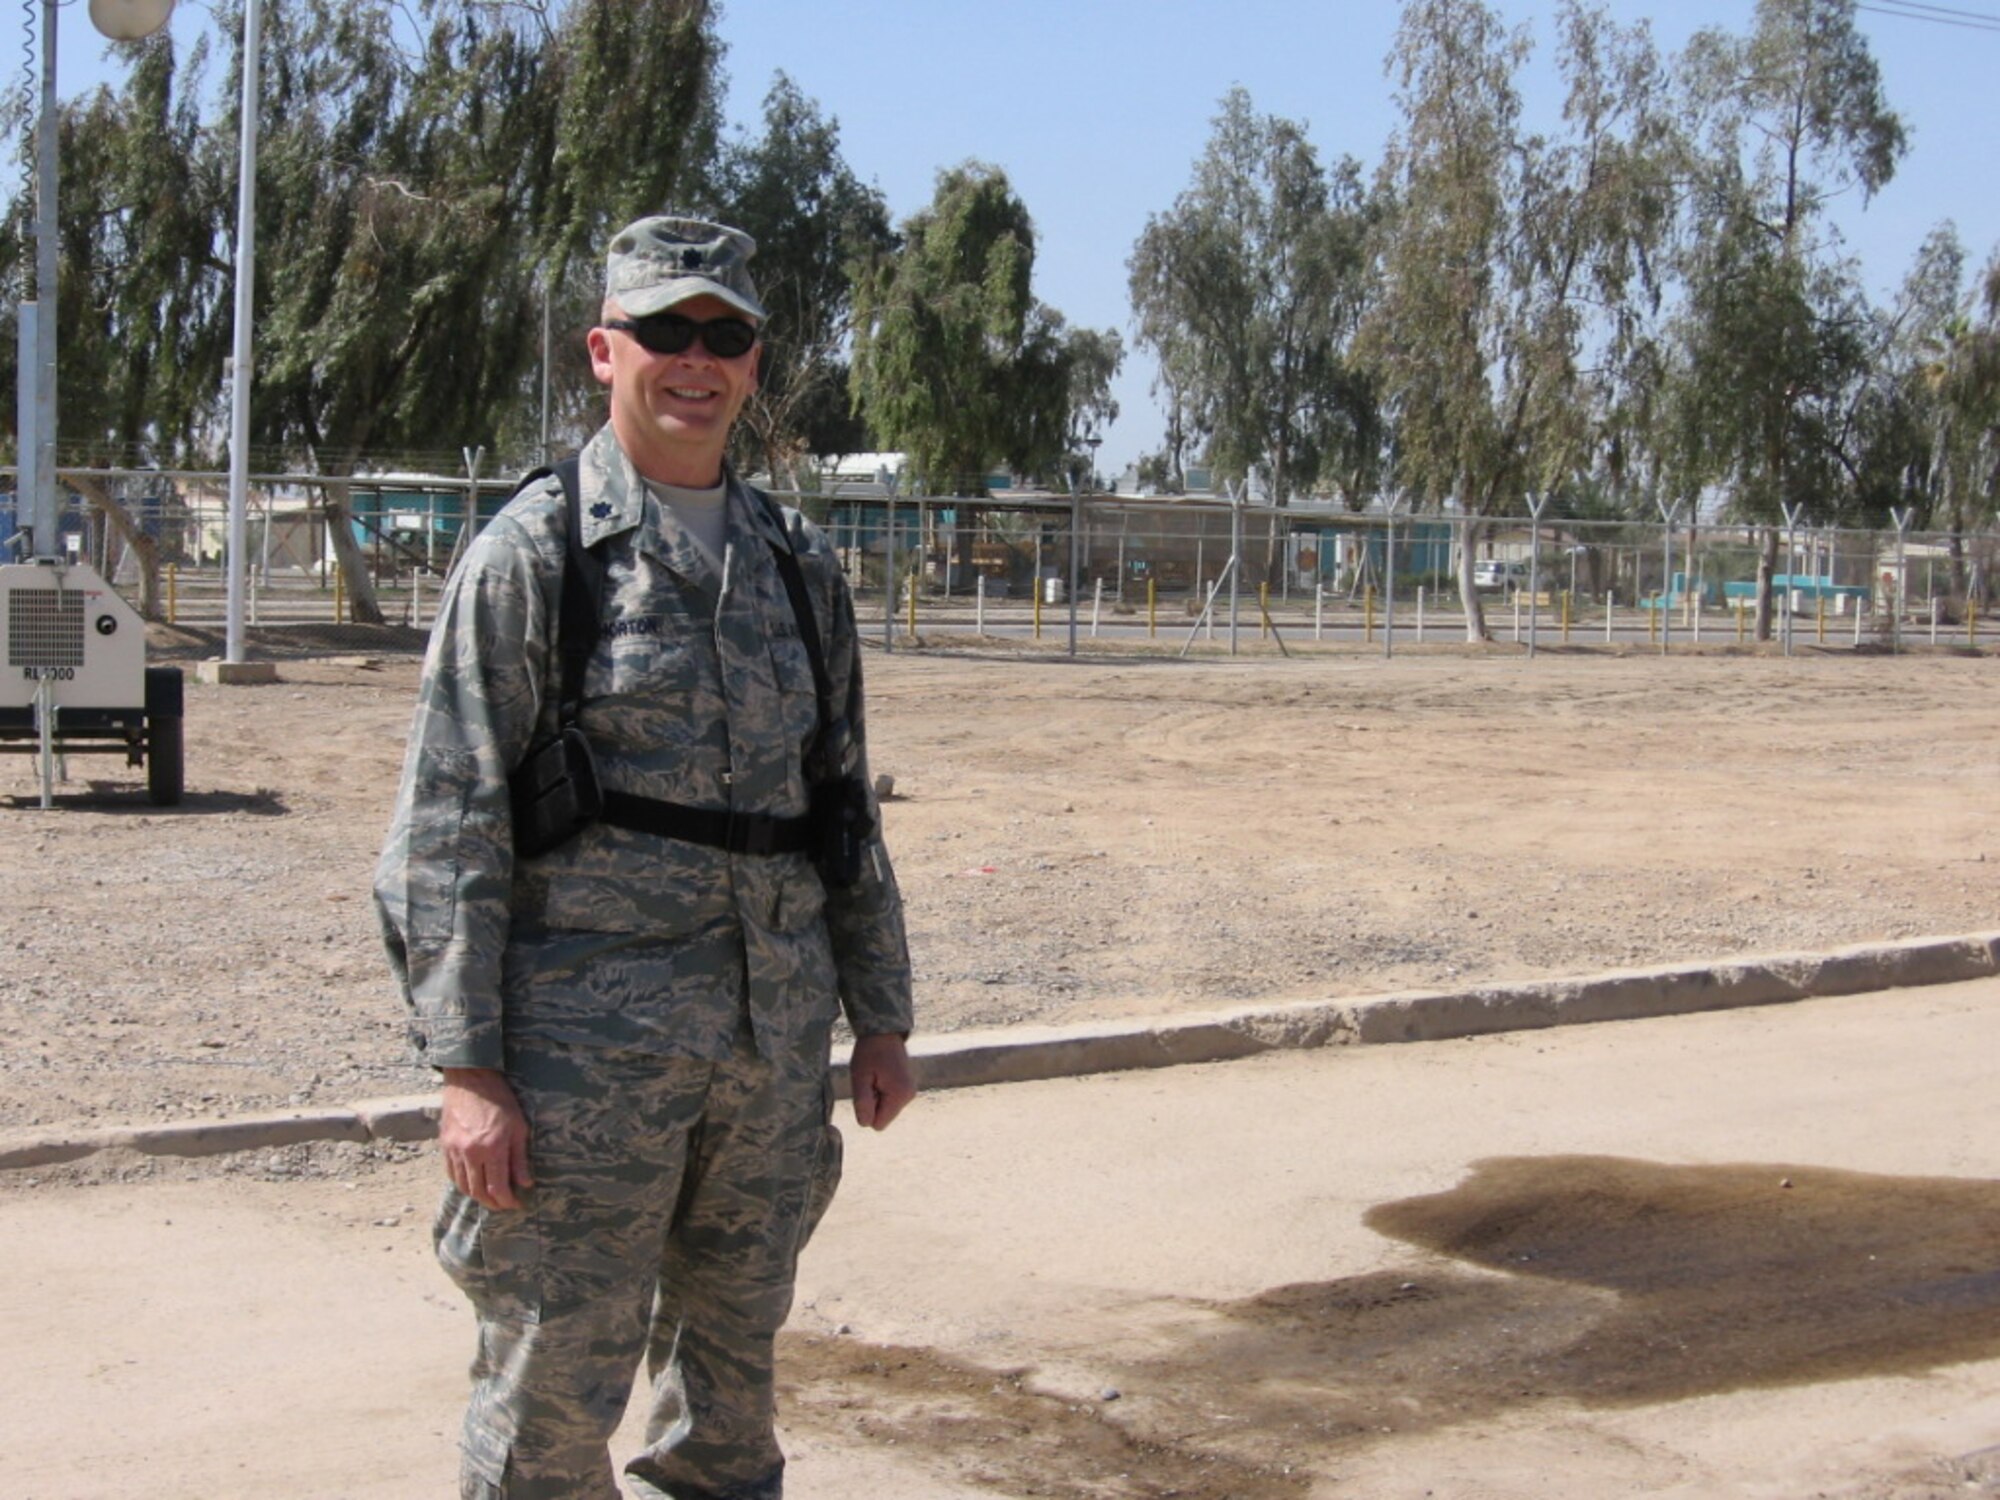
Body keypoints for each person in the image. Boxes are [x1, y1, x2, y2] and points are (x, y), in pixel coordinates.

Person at [376, 213, 916, 1500]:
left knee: (730, 1405)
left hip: (766, 1054)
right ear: (602, 351)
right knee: (551, 1402)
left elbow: (840, 807)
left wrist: (881, 1016)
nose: (695, 360)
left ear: (753, 361)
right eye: (664, 329)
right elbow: (450, 824)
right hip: (581, 1067)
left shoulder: (797, 566)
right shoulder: (533, 556)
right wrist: (468, 1071)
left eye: (723, 337)